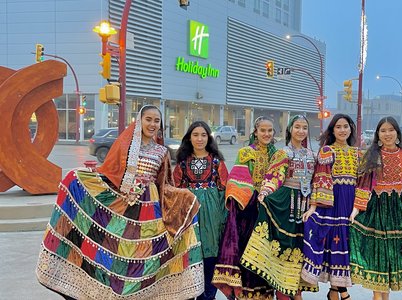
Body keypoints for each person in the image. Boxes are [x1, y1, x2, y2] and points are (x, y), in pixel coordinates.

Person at [36, 105, 204, 299]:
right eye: (148, 119)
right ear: (139, 121)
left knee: (146, 253)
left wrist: (184, 197)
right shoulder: (125, 144)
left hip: (150, 205)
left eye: (156, 121)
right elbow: (110, 171)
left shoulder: (162, 151)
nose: (152, 124)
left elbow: (164, 183)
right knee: (115, 250)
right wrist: (83, 178)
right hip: (123, 202)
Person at [240, 115, 317, 299]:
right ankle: (282, 293)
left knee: (301, 251)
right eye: (297, 127)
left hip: (306, 209)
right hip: (286, 206)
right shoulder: (283, 153)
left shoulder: (312, 155)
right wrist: (265, 192)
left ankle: (297, 292)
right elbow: (275, 176)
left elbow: (316, 181)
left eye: (304, 128)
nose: (301, 131)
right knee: (283, 251)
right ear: (290, 129)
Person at [349, 116, 402, 300]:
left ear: (397, 133)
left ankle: (383, 296)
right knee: (376, 253)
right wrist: (356, 210)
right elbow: (363, 185)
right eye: (383, 131)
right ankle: (377, 296)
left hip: (398, 212)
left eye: (391, 130)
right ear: (378, 135)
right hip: (375, 210)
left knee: (391, 255)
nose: (387, 134)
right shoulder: (372, 156)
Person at [212, 116, 276, 300]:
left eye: (270, 130)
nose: (266, 134)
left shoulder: (277, 155)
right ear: (255, 132)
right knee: (247, 254)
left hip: (269, 212)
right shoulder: (246, 152)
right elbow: (239, 182)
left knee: (265, 257)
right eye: (262, 130)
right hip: (249, 212)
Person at [301, 113, 359, 300]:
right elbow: (320, 179)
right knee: (335, 241)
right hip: (332, 202)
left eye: (346, 126)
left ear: (351, 129)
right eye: (338, 127)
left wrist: (359, 206)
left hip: (350, 203)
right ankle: (341, 291)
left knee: (347, 245)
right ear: (333, 130)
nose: (343, 130)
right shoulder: (327, 151)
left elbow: (364, 182)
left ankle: (336, 291)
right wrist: (313, 207)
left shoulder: (358, 153)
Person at [173, 121, 229, 300]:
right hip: (189, 215)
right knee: (191, 256)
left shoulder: (216, 162)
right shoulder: (182, 163)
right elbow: (174, 190)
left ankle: (208, 295)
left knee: (210, 256)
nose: (199, 139)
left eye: (203, 135)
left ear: (209, 137)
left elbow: (225, 191)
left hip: (213, 217)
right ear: (189, 138)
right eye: (195, 135)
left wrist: (223, 219)